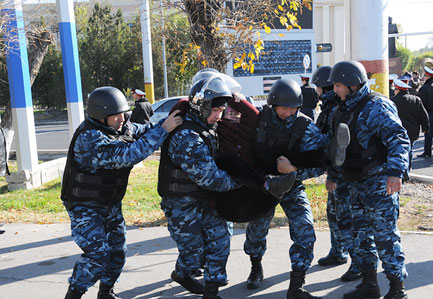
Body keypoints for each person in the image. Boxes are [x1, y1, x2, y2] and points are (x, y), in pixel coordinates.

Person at [158, 76, 296, 299]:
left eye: (222, 110)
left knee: (220, 239)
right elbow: (212, 180)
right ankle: (182, 273)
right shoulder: (187, 136)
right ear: (201, 107)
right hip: (182, 204)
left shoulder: (208, 126)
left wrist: (239, 101)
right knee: (194, 253)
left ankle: (211, 292)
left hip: (204, 200)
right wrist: (246, 183)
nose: (219, 116)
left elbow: (254, 123)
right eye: (216, 111)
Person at [61, 86, 183, 299]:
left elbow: (142, 130)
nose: (121, 118)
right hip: (84, 205)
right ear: (100, 116)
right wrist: (164, 130)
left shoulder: (120, 127)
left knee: (117, 251)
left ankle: (106, 292)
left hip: (109, 203)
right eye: (115, 115)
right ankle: (74, 294)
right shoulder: (89, 138)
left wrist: (167, 123)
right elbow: (129, 154)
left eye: (123, 113)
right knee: (98, 254)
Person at [328, 60, 410, 299]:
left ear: (353, 84)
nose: (335, 90)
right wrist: (334, 175)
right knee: (360, 236)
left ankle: (397, 289)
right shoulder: (340, 108)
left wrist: (395, 172)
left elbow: (398, 139)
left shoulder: (376, 106)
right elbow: (336, 148)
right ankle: (369, 284)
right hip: (353, 181)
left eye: (338, 85)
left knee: (385, 237)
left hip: (378, 183)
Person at [244, 78, 330, 299]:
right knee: (256, 232)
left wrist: (294, 171)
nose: (289, 112)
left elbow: (321, 163)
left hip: (291, 186)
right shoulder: (257, 120)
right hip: (262, 185)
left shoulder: (304, 126)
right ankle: (256, 266)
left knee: (305, 230)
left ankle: (297, 285)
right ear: (273, 104)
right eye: (284, 108)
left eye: (294, 108)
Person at [312, 66, 362, 283]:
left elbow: (336, 145)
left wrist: (332, 174)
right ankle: (338, 251)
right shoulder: (331, 107)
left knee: (344, 218)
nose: (317, 92)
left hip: (342, 174)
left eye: (319, 88)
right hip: (337, 171)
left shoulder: (335, 109)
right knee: (333, 213)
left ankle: (357, 262)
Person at [390, 79, 429, 181]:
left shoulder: (392, 101)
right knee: (409, 150)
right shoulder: (416, 100)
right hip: (412, 131)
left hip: (397, 131)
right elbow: (424, 116)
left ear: (398, 90)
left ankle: (401, 172)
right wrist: (425, 128)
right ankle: (407, 172)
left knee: (398, 152)